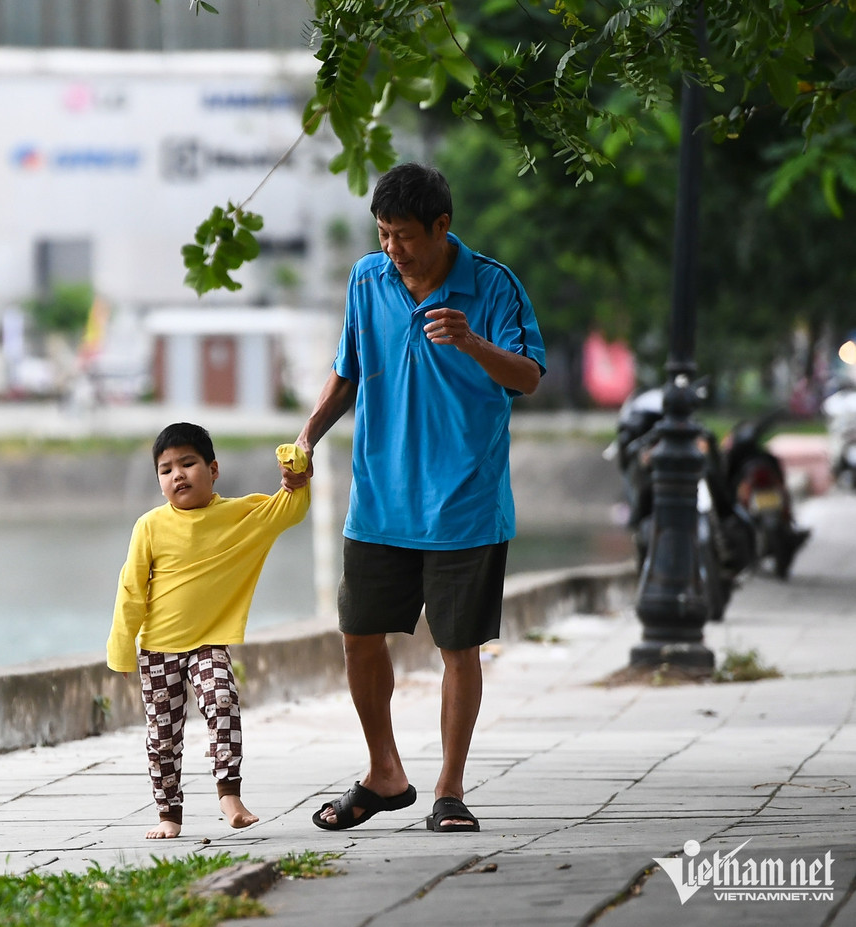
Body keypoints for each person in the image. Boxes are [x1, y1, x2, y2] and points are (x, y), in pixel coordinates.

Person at [283, 162, 546, 834]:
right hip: (379, 499)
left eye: (402, 235)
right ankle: (385, 772)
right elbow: (347, 374)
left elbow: (530, 376)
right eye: (382, 233)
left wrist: (471, 340)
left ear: (442, 226)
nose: (391, 247)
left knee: (458, 647)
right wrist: (308, 436)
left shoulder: (493, 285)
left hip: (464, 502)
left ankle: (449, 789)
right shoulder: (367, 280)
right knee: (358, 635)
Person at [107, 422, 310, 839]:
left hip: (208, 643)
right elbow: (130, 590)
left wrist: (297, 470)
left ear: (213, 469)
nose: (177, 474)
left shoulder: (239, 516)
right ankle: (168, 815)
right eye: (166, 470)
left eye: (188, 463)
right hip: (157, 650)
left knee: (223, 702)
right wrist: (122, 650)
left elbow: (289, 509)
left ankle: (228, 793)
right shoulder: (149, 526)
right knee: (163, 737)